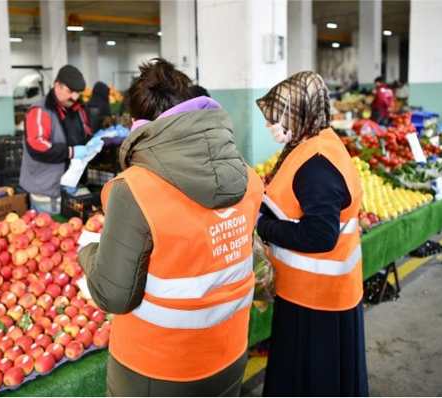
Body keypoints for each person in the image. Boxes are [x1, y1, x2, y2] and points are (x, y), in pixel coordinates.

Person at [78, 58, 263, 396]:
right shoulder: (249, 180)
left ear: (137, 125)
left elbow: (114, 294)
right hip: (230, 352)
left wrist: (87, 249)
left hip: (157, 369)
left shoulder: (134, 189)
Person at [255, 71, 369, 396]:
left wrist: (262, 226)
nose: (269, 126)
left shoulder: (318, 165)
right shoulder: (309, 144)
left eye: (275, 119)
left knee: (313, 382)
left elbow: (320, 236)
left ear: (298, 114)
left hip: (318, 301)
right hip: (309, 294)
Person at [19, 65, 101, 212]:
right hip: (46, 190)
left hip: (71, 187)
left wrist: (95, 141)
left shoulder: (78, 109)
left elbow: (85, 133)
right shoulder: (40, 111)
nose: (75, 97)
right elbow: (37, 145)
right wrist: (71, 152)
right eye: (70, 91)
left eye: (78, 93)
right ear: (57, 85)